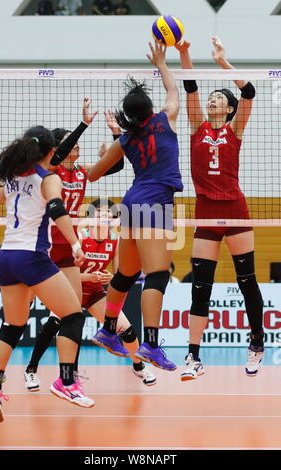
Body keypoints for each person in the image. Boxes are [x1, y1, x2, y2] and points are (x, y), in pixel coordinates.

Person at [0, 125, 98, 423]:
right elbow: (58, 209)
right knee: (73, 316)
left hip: (6, 258)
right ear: (50, 152)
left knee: (14, 323)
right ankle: (67, 382)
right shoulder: (49, 178)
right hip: (31, 256)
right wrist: (74, 243)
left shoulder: (11, 176)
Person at [87, 41, 183, 371]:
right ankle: (152, 345)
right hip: (155, 202)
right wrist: (161, 62)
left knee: (125, 273)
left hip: (130, 203)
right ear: (150, 108)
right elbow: (174, 92)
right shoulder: (165, 119)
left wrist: (107, 152)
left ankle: (108, 329)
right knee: (157, 274)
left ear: (128, 116)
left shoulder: (124, 140)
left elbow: (92, 175)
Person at [175, 36, 264, 380]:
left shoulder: (235, 129)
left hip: (236, 210)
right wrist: (184, 54)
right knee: (200, 286)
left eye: (219, 98)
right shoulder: (197, 128)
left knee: (247, 281)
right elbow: (190, 86)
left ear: (227, 108)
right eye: (210, 98)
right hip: (207, 213)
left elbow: (250, 92)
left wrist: (224, 63)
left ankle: (256, 344)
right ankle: (193, 357)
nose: (213, 100)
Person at [23, 101, 125, 390]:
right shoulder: (50, 172)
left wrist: (118, 135)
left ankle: (62, 373)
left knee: (66, 315)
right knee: (22, 314)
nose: (77, 147)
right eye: (71, 143)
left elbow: (114, 165)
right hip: (41, 242)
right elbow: (62, 152)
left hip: (67, 244)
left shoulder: (81, 172)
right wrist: (82, 125)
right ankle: (22, 370)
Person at [24, 198, 156, 390]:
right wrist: (88, 278)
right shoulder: (80, 236)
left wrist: (110, 277)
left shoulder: (115, 240)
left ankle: (138, 366)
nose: (105, 215)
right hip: (70, 290)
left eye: (109, 213)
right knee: (53, 325)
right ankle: (31, 370)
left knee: (127, 330)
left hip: (95, 294)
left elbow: (118, 274)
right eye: (100, 212)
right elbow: (61, 271)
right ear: (92, 216)